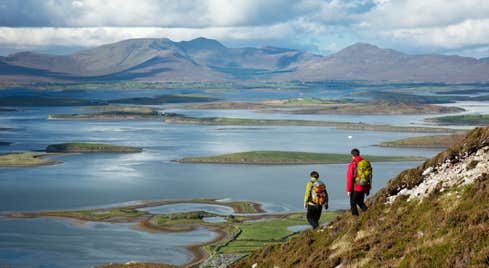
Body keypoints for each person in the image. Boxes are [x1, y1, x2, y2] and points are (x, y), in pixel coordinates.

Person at [346, 148, 371, 216]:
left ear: (352, 155)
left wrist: (348, 190)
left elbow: (350, 178)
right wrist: (368, 188)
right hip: (364, 186)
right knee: (360, 202)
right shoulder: (365, 163)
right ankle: (369, 214)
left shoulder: (353, 164)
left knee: (353, 203)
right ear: (359, 154)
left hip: (356, 187)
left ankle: (355, 218)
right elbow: (369, 177)